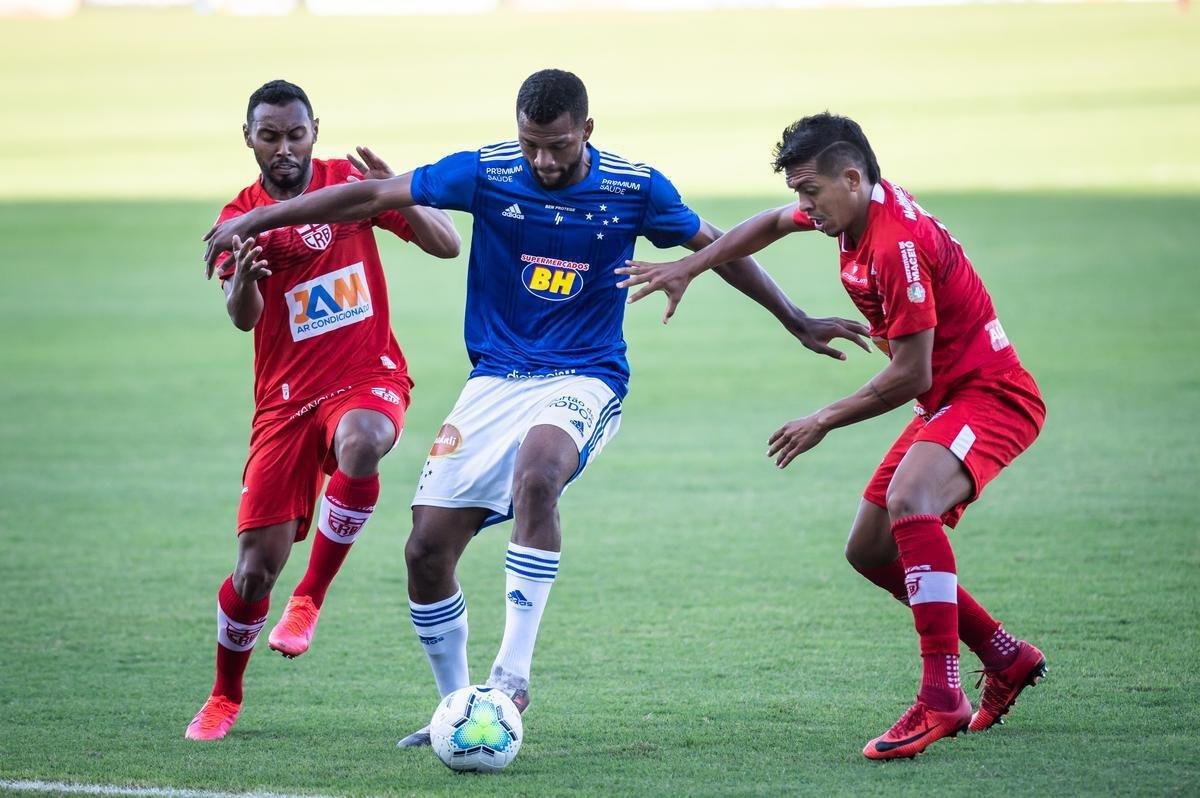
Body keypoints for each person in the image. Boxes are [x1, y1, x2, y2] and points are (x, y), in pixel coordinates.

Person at [204, 70, 869, 747]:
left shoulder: (632, 188)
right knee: (425, 550)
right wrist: (261, 216)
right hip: (494, 381)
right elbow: (374, 193)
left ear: (586, 129)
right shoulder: (488, 171)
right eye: (531, 146)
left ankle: (511, 676)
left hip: (585, 375)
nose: (543, 161)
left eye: (556, 145)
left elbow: (717, 245)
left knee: (538, 472)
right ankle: (459, 712)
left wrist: (794, 318)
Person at [617, 113, 1047, 760]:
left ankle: (941, 696)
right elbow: (765, 225)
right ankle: (1005, 657)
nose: (802, 206)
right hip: (949, 401)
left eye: (810, 192)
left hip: (989, 396)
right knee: (871, 550)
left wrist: (821, 419)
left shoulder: (896, 245)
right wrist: (694, 267)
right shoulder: (852, 209)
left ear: (851, 177)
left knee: (911, 501)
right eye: (798, 191)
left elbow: (911, 373)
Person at [185, 80, 460, 741]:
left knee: (363, 440)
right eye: (270, 136)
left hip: (367, 376)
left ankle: (310, 598)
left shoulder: (351, 186)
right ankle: (225, 695)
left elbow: (447, 245)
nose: (284, 148)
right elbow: (244, 319)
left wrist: (405, 190)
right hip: (284, 405)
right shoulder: (238, 215)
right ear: (248, 137)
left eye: (296, 134)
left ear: (315, 131)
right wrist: (245, 283)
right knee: (253, 571)